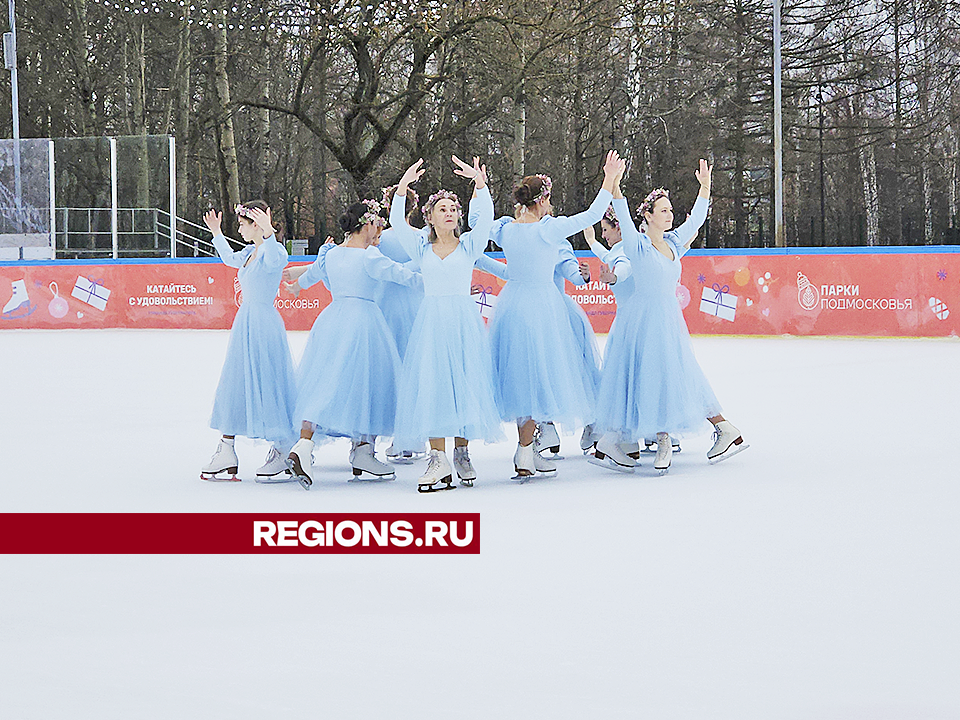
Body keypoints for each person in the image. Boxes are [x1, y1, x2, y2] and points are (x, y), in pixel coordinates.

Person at [594, 159, 747, 475]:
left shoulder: (674, 243)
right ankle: (655, 439)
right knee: (648, 378)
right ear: (648, 215)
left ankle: (707, 432)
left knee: (677, 376)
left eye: (670, 210)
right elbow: (620, 210)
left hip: (667, 321)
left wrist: (705, 187)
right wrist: (615, 183)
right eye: (663, 210)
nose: (670, 214)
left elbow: (697, 220)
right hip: (641, 321)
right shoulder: (637, 246)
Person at [487, 150, 625, 478]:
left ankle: (525, 451)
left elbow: (474, 239)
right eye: (548, 199)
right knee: (537, 378)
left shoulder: (505, 230)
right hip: (540, 307)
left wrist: (481, 189)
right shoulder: (548, 230)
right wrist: (608, 179)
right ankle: (526, 451)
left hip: (511, 306)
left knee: (523, 378)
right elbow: (592, 213)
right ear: (542, 199)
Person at [283, 199, 422, 489]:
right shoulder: (370, 257)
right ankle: (362, 450)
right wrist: (441, 275)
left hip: (332, 320)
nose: (379, 230)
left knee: (324, 380)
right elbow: (403, 276)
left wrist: (295, 285)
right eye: (377, 224)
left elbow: (308, 278)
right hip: (364, 323)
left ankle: (305, 446)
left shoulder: (332, 255)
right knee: (366, 384)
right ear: (367, 224)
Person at [389, 156, 503, 492]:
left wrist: (480, 186)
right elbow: (396, 221)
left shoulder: (469, 245)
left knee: (464, 381)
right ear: (430, 216)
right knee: (435, 384)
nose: (450, 211)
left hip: (462, 321)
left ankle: (462, 450)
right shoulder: (420, 245)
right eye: (442, 208)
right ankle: (437, 458)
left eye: (453, 207)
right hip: (432, 321)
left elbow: (487, 221)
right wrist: (403, 186)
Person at [200, 201, 298, 482]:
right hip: (245, 323)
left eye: (243, 224)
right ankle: (227, 448)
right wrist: (217, 234)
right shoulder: (248, 253)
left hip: (264, 324)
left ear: (256, 224)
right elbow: (230, 259)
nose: (240, 229)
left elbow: (278, 260)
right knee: (236, 380)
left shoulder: (272, 250)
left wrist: (269, 234)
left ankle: (282, 447)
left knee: (269, 381)